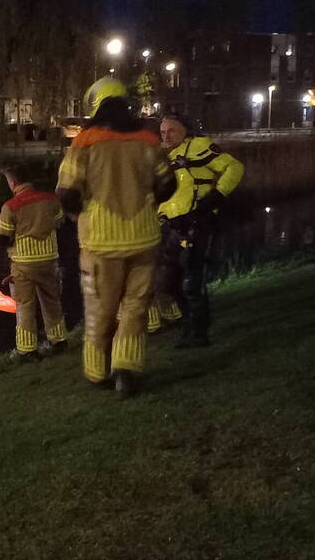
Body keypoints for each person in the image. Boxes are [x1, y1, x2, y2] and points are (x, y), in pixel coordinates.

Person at [56, 77, 176, 397]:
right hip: (144, 237)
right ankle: (127, 369)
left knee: (101, 309)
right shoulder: (148, 139)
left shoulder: (84, 142)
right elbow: (168, 184)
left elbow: (67, 192)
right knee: (135, 307)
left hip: (100, 241)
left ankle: (98, 372)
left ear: (96, 105)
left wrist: (80, 215)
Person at [156, 113, 244, 348]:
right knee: (168, 282)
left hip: (196, 224)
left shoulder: (198, 147)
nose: (166, 136)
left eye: (171, 131)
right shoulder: (163, 156)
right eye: (162, 132)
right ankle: (189, 326)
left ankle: (198, 333)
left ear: (185, 130)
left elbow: (234, 167)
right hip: (171, 228)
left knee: (191, 282)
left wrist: (216, 196)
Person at [0, 164, 67, 360]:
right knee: (52, 301)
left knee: (25, 306)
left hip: (23, 264)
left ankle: (27, 350)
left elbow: (3, 238)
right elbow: (60, 222)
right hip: (49, 259)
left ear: (13, 183)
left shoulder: (10, 206)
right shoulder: (50, 199)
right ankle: (59, 340)